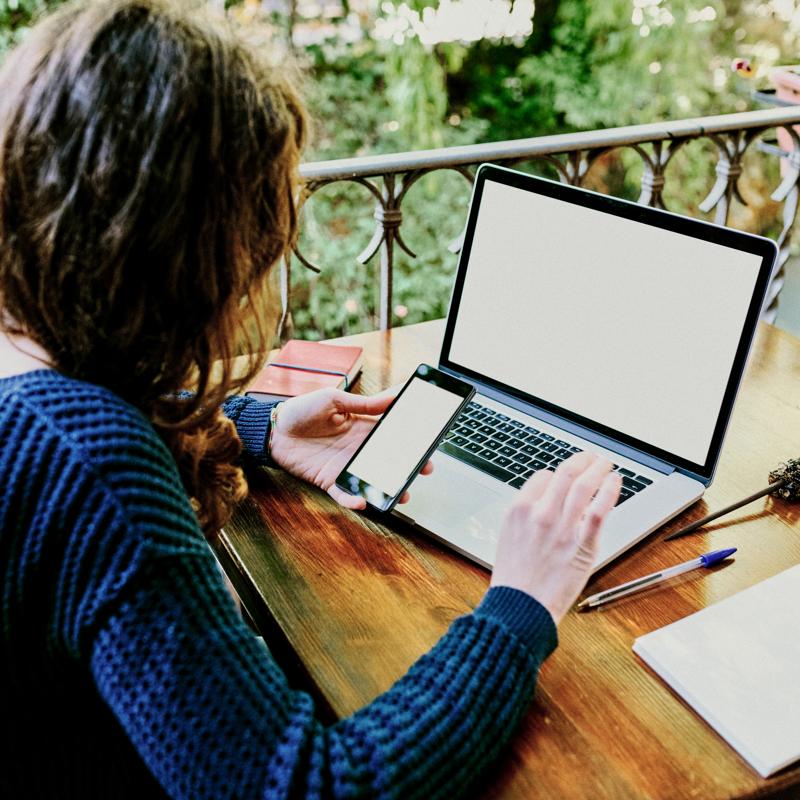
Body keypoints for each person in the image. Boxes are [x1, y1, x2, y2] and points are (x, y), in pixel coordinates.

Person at [0, 1, 622, 797]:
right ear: (188, 250)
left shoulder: (35, 356)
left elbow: (72, 413)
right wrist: (520, 604)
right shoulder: (94, 464)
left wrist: (251, 426)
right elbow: (305, 786)